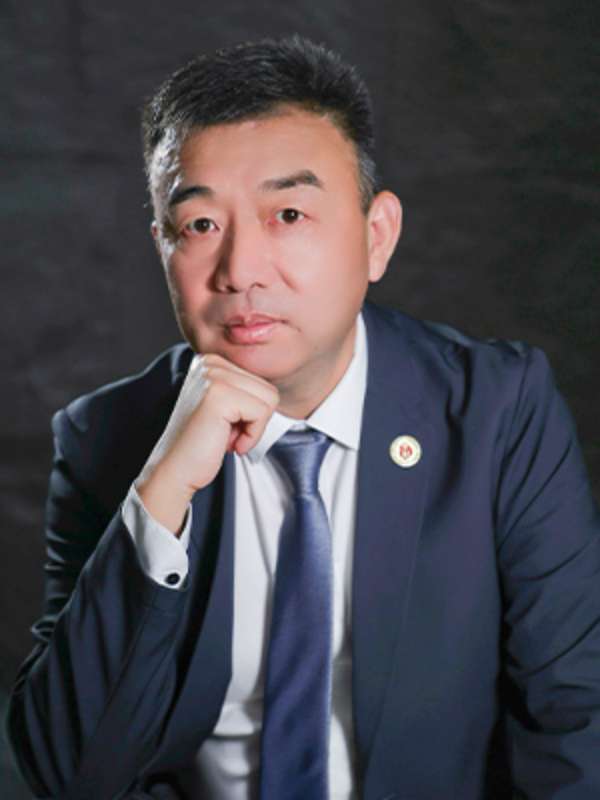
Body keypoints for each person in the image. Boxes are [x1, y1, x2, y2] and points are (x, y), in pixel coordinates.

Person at [6, 35, 600, 800]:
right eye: (200, 226)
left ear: (376, 236)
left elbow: (575, 720)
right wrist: (161, 495)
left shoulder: (497, 409)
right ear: (163, 247)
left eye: (288, 213)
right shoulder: (106, 437)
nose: (240, 271)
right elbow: (69, 773)